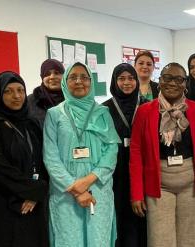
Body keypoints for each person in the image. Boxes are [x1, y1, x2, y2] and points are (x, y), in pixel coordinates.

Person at [129, 63, 195, 247]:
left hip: (191, 185)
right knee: (160, 240)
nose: (172, 83)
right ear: (159, 81)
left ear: (185, 83)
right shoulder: (145, 111)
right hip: (159, 185)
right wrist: (137, 193)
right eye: (167, 78)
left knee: (190, 239)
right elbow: (136, 153)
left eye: (178, 79)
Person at [43, 62, 120, 246]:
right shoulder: (54, 114)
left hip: (98, 186)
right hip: (66, 190)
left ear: (91, 82)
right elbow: (50, 156)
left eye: (84, 77)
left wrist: (88, 181)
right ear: (65, 82)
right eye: (73, 77)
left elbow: (111, 150)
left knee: (98, 238)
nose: (79, 81)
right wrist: (75, 187)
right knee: (69, 238)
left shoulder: (103, 112)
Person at [0, 71, 49, 247]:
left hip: (31, 203)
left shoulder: (30, 123)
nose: (16, 96)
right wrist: (32, 190)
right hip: (2, 202)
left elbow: (42, 158)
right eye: (8, 91)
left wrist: (35, 194)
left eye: (20, 90)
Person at [102, 63, 148, 247]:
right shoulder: (104, 109)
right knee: (122, 218)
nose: (127, 82)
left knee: (144, 218)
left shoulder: (148, 106)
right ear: (114, 81)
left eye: (130, 78)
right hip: (117, 172)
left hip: (143, 169)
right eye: (121, 78)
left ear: (136, 81)